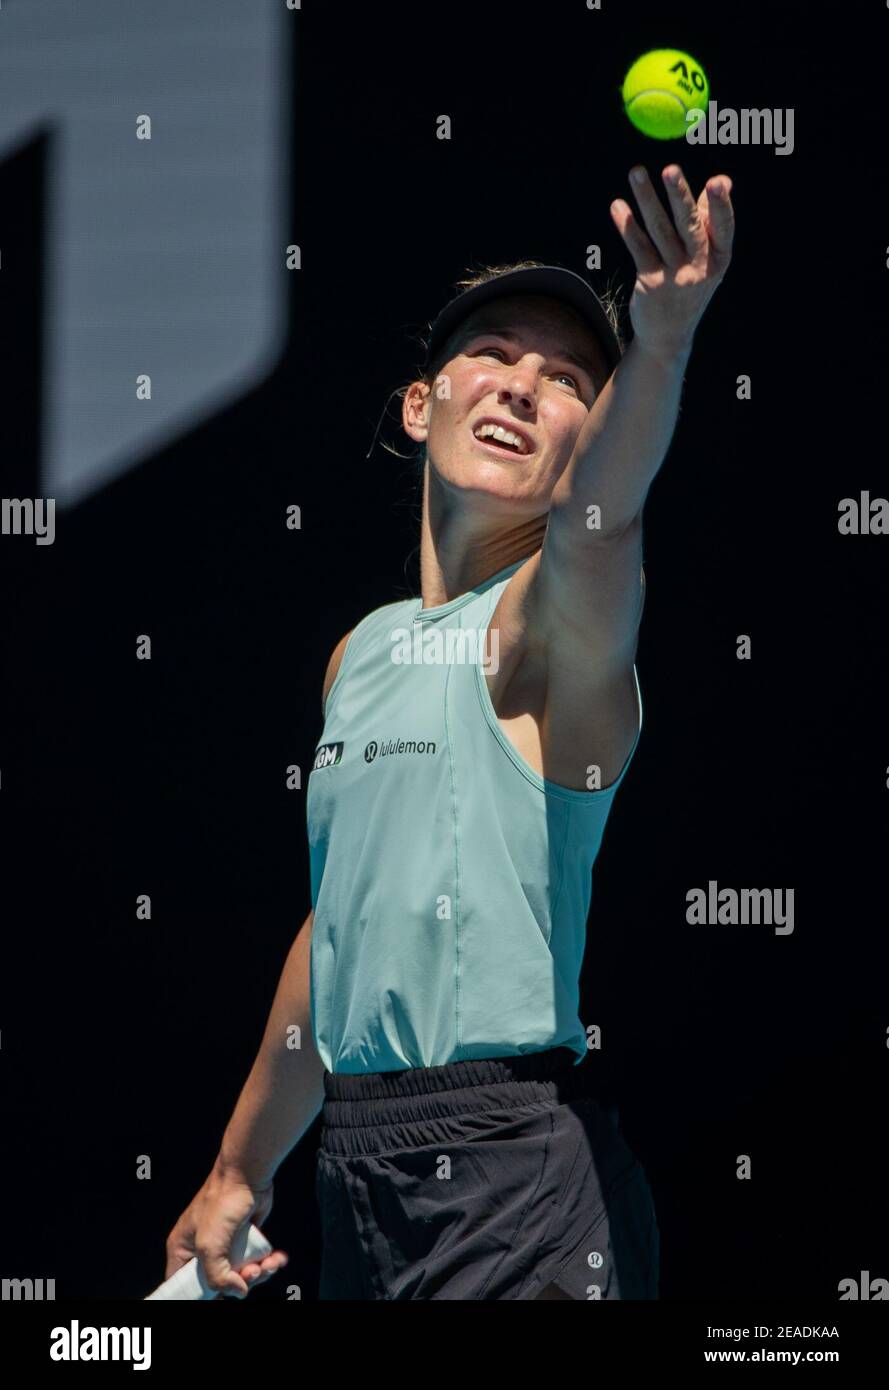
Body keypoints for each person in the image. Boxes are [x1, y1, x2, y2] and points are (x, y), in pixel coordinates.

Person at [164, 160, 734, 1299]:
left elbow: (601, 517)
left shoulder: (552, 628)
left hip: (513, 1177)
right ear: (421, 406)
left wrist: (662, 337)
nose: (524, 386)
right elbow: (342, 934)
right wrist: (238, 1168)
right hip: (358, 1178)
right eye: (495, 355)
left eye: (569, 377)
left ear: (589, 434)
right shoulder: (361, 653)